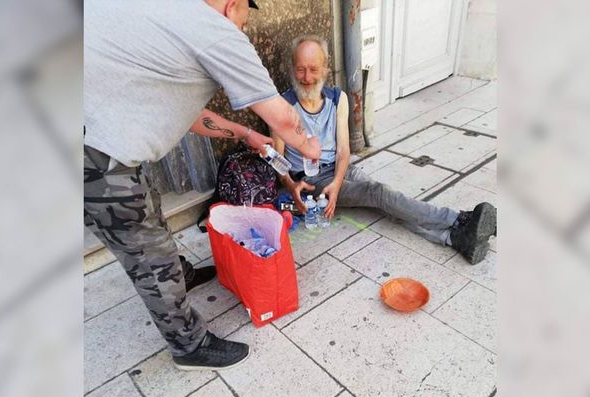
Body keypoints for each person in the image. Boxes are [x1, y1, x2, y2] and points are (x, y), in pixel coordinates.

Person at [84, 0, 321, 371]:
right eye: (246, 15)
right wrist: (311, 147)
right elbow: (284, 119)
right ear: (232, 7)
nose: (244, 26)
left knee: (146, 211)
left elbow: (193, 116)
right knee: (148, 251)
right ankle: (189, 345)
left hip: (95, 139)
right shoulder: (216, 30)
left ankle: (179, 275)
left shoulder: (167, 15)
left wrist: (244, 134)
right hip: (90, 150)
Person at [272, 35, 497, 265]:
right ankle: (457, 219)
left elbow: (343, 150)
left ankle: (454, 237)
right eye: (300, 69)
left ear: (326, 69)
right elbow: (277, 161)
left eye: (313, 69)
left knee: (386, 202)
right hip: (313, 181)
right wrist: (291, 187)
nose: (307, 77)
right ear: (292, 68)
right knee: (379, 193)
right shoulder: (281, 106)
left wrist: (338, 183)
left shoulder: (337, 98)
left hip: (340, 170)